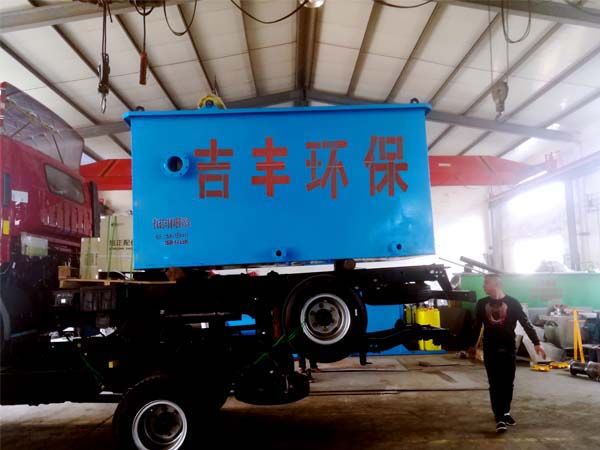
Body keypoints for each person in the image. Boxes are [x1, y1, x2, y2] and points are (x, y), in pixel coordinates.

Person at [468, 274, 547, 434]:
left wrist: (536, 343)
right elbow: (476, 326)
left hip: (509, 348)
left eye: (486, 283)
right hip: (490, 348)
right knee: (495, 383)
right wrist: (471, 346)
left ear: (495, 284)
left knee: (508, 383)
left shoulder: (513, 303)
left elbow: (525, 323)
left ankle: (505, 412)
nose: (483, 286)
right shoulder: (482, 304)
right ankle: (499, 418)